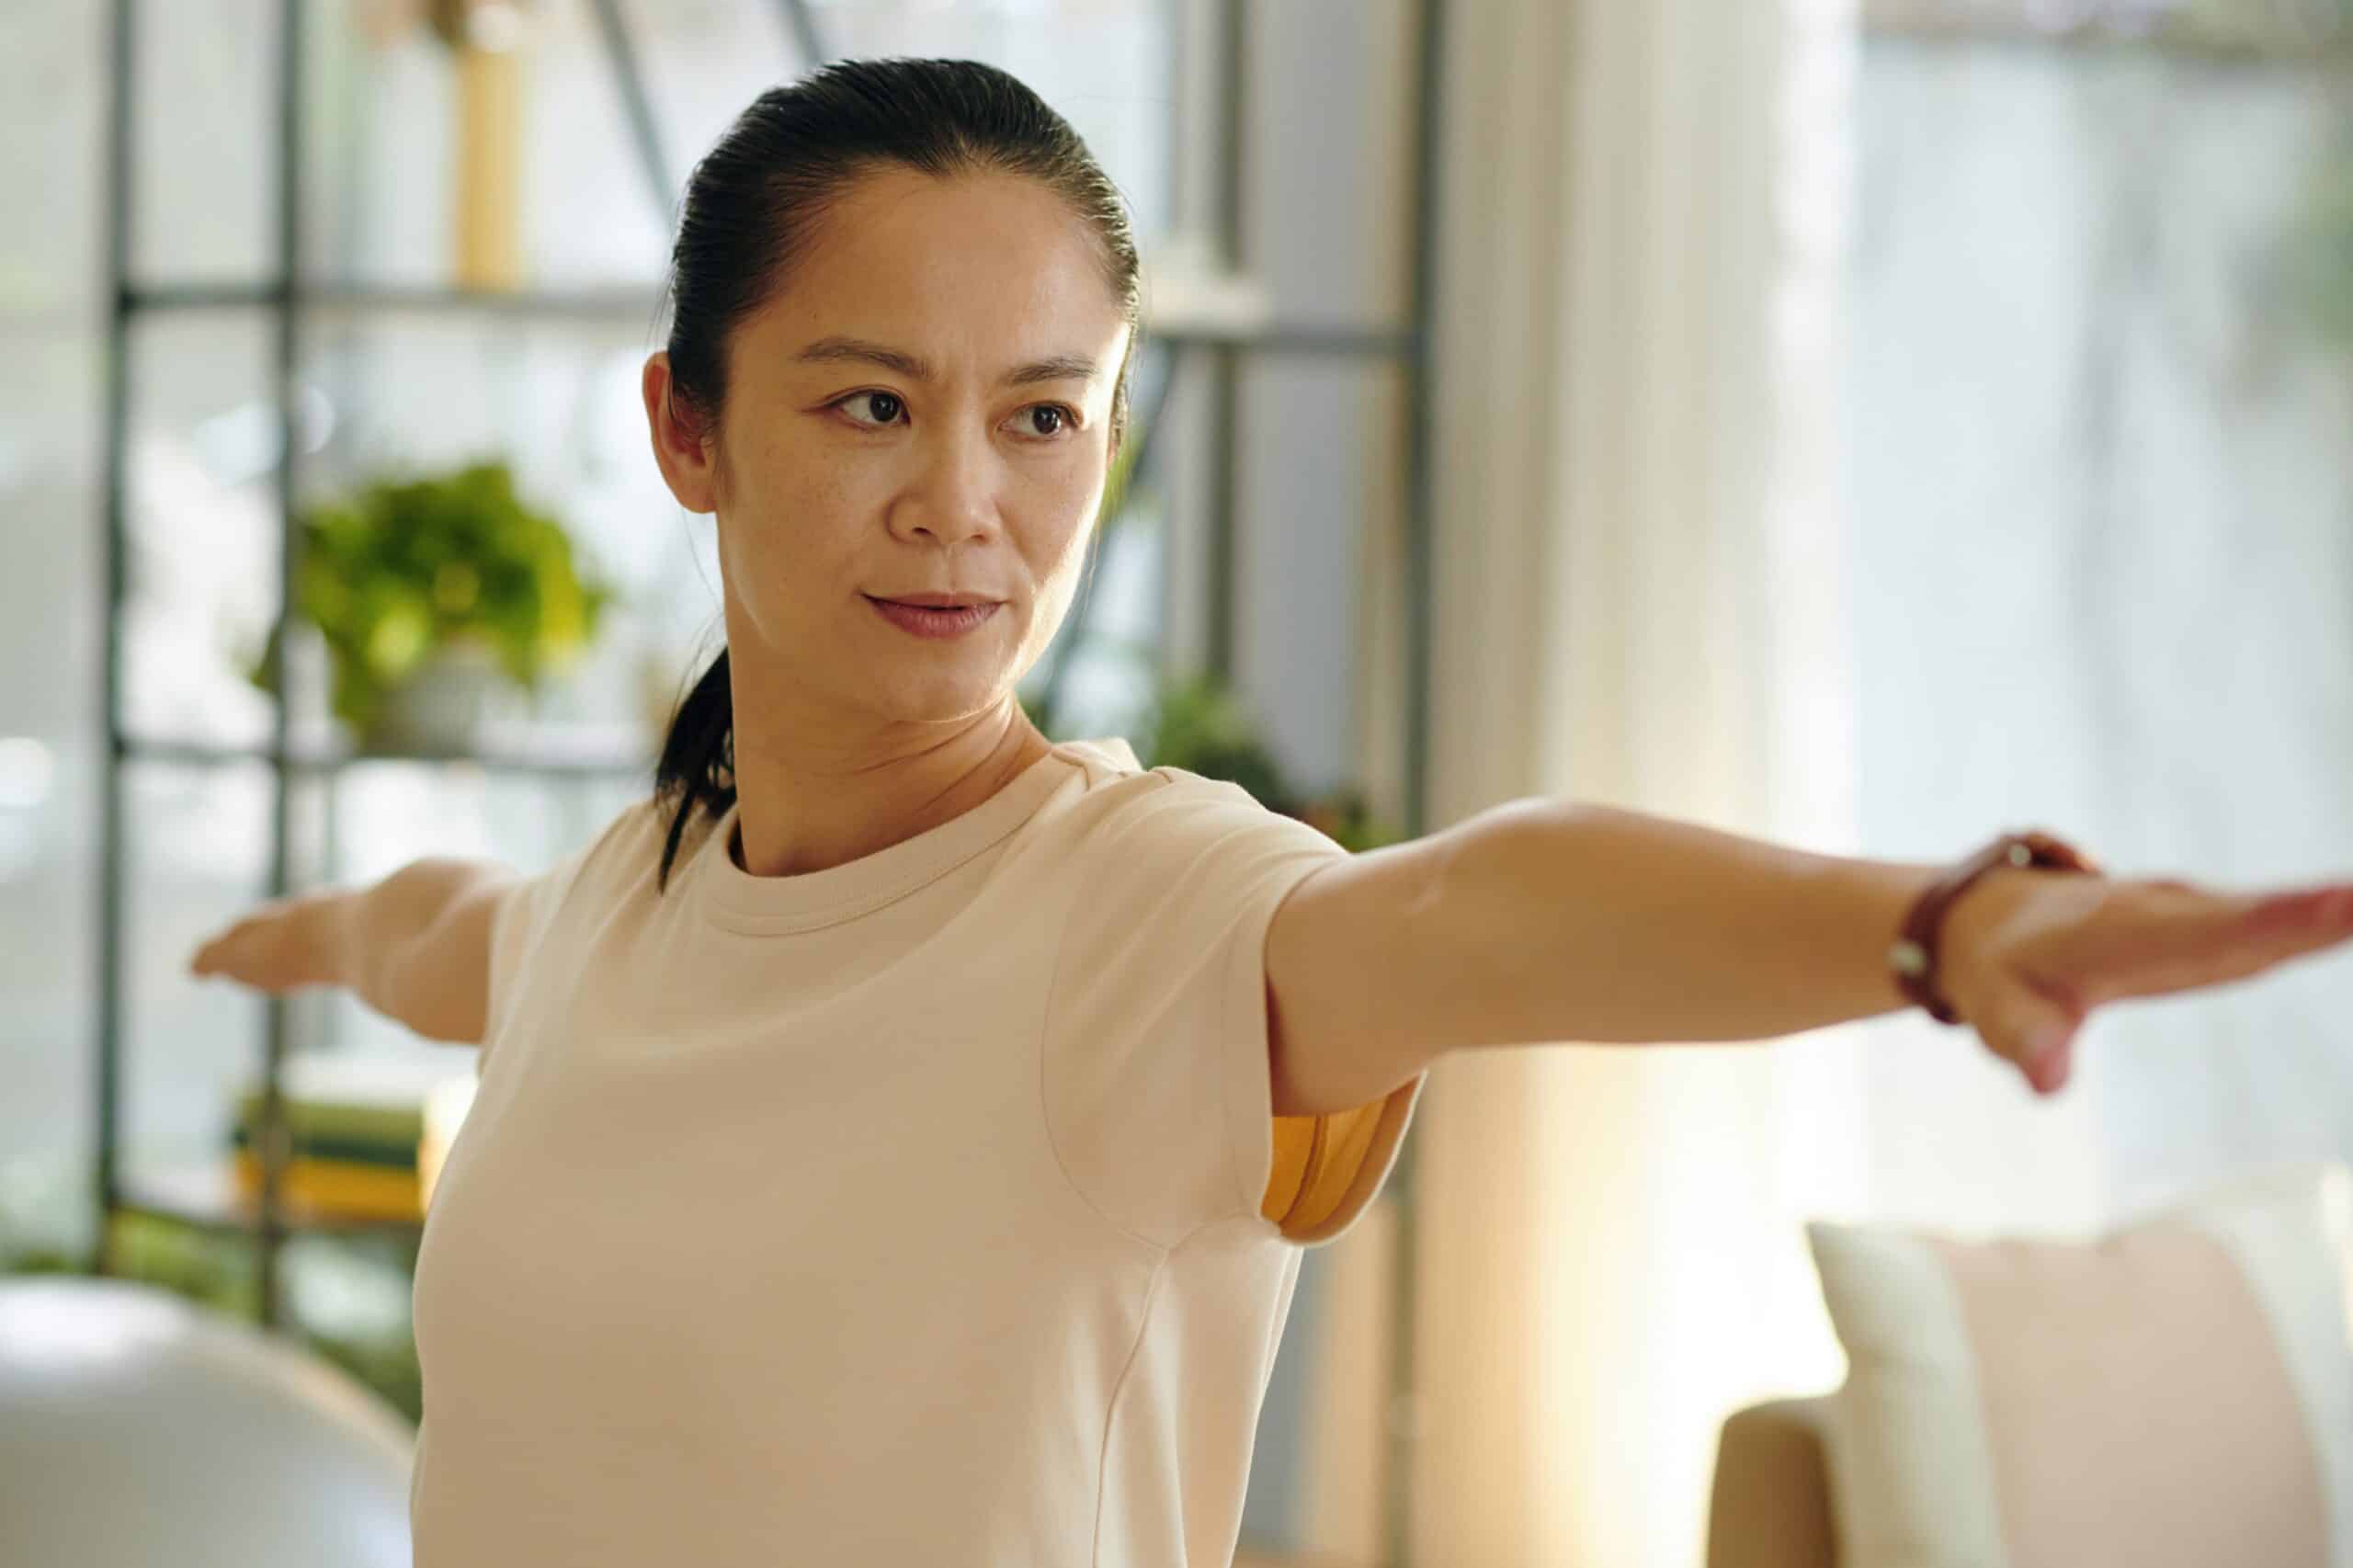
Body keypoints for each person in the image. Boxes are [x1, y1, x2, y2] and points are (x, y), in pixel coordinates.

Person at [188, 55, 2353, 1568]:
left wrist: (1934, 927)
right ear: (685, 424)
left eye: (1043, 417)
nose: (963, 503)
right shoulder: (608, 913)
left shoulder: (1131, 920)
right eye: (868, 402)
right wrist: (296, 935)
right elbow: (433, 924)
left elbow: (1491, 908)